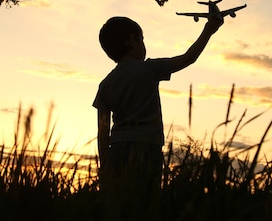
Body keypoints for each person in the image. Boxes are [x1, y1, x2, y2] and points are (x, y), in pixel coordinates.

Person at [93, 14, 223, 205]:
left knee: (119, 205)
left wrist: (104, 165)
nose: (144, 45)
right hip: (147, 147)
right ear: (132, 41)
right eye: (142, 39)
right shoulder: (149, 69)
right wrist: (209, 29)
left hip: (117, 150)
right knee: (146, 203)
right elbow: (189, 58)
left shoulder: (105, 84)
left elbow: (102, 131)